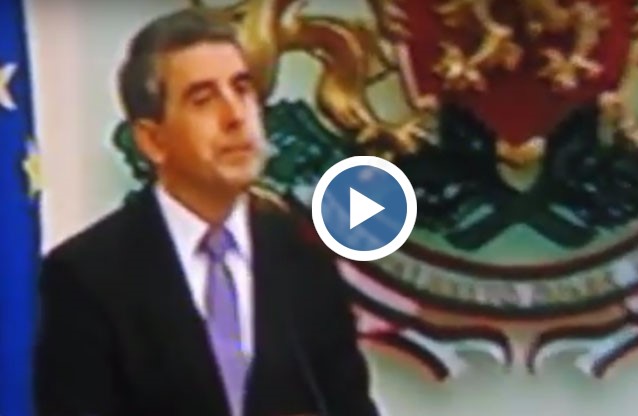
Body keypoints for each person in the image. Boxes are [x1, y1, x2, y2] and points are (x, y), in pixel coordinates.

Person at [33, 8, 380, 416]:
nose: (236, 116)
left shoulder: (304, 256)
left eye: (242, 89)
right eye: (203, 99)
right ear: (152, 140)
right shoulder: (86, 276)